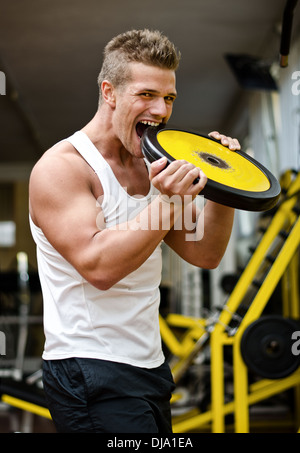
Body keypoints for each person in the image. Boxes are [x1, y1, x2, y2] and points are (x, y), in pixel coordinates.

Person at [29, 29, 240, 433]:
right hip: (88, 368)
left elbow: (205, 254)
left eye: (169, 98)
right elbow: (98, 268)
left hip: (149, 366)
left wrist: (226, 186)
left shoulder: (155, 165)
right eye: (146, 95)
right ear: (109, 92)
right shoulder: (64, 168)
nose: (161, 110)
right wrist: (167, 202)